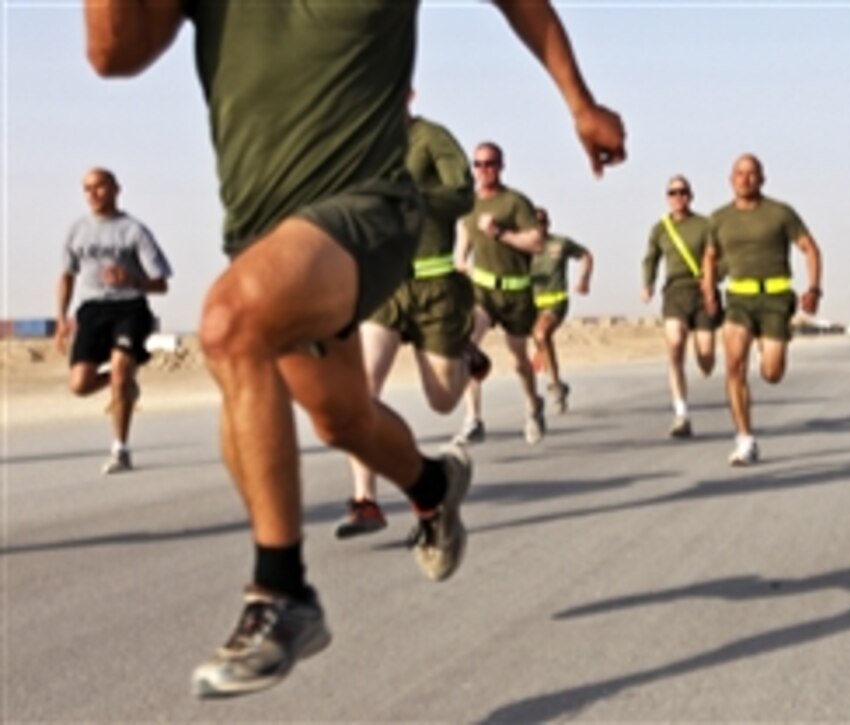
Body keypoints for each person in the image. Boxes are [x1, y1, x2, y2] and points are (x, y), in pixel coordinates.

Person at [85, 0, 625, 698]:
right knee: (341, 417)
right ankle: (433, 487)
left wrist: (579, 102)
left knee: (227, 323)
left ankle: (282, 590)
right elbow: (114, 53)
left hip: (370, 208)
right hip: (265, 231)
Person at [334, 106, 487, 540]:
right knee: (361, 389)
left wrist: (413, 199)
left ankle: (462, 349)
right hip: (384, 286)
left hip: (436, 285)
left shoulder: (432, 138)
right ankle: (366, 501)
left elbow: (463, 194)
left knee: (442, 400)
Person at [702, 154, 822, 466]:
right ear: (731, 179)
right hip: (739, 300)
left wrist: (814, 289)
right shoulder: (718, 218)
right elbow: (711, 257)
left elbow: (810, 247)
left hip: (775, 298)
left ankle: (766, 350)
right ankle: (745, 439)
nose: (745, 179)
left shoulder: (780, 213)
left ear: (762, 179)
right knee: (734, 367)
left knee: (772, 373)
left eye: (752, 173)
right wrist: (709, 292)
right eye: (739, 173)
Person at [54, 167, 172, 475]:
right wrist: (61, 318)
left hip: (129, 308)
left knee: (119, 369)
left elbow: (161, 283)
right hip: (92, 310)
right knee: (79, 385)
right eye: (87, 188)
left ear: (115, 188)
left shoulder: (134, 230)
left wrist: (133, 279)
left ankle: (120, 449)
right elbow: (67, 276)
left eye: (99, 187)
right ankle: (125, 384)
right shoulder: (77, 230)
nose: (92, 194)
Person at [453, 142, 548, 446]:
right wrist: (460, 264)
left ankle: (533, 407)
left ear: (501, 165)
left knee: (518, 361)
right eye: (478, 164)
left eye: (490, 163)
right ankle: (473, 419)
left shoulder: (515, 202)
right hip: (483, 291)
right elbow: (463, 242)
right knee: (468, 348)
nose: (484, 169)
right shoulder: (470, 204)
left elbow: (537, 243)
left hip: (516, 294)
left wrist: (500, 233)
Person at [641, 175, 721, 438]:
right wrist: (648, 284)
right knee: (674, 346)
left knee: (706, 356)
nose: (678, 197)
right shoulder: (660, 228)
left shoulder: (705, 225)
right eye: (672, 193)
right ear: (667, 197)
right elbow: (650, 258)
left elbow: (718, 257)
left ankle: (706, 360)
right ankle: (681, 413)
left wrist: (712, 283)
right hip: (674, 292)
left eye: (682, 192)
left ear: (690, 195)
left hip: (701, 291)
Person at [530, 207, 594, 413]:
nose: (538, 226)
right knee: (540, 340)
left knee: (541, 334)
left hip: (556, 301)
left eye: (541, 222)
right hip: (532, 305)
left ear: (548, 223)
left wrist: (584, 279)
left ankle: (554, 386)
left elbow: (585, 255)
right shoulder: (523, 247)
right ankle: (557, 383)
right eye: (534, 222)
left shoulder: (559, 243)